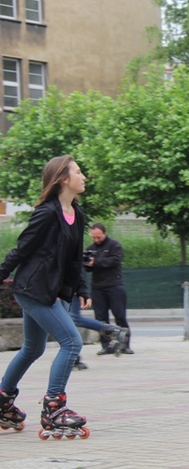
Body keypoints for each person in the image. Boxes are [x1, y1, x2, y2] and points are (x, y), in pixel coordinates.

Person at [0, 155, 92, 439]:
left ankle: (2, 401)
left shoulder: (78, 215)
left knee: (33, 349)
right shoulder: (46, 213)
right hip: (34, 289)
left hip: (55, 290)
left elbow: (75, 260)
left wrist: (81, 288)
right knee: (71, 341)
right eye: (78, 172)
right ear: (64, 179)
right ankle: (54, 407)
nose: (83, 176)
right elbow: (22, 249)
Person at [84, 223, 133, 355]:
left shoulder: (114, 245)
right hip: (98, 287)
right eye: (94, 237)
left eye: (98, 237)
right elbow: (88, 268)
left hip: (114, 285)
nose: (96, 240)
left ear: (104, 233)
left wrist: (97, 262)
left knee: (120, 316)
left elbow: (115, 261)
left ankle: (125, 345)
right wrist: (86, 263)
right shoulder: (90, 248)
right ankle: (106, 345)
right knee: (100, 318)